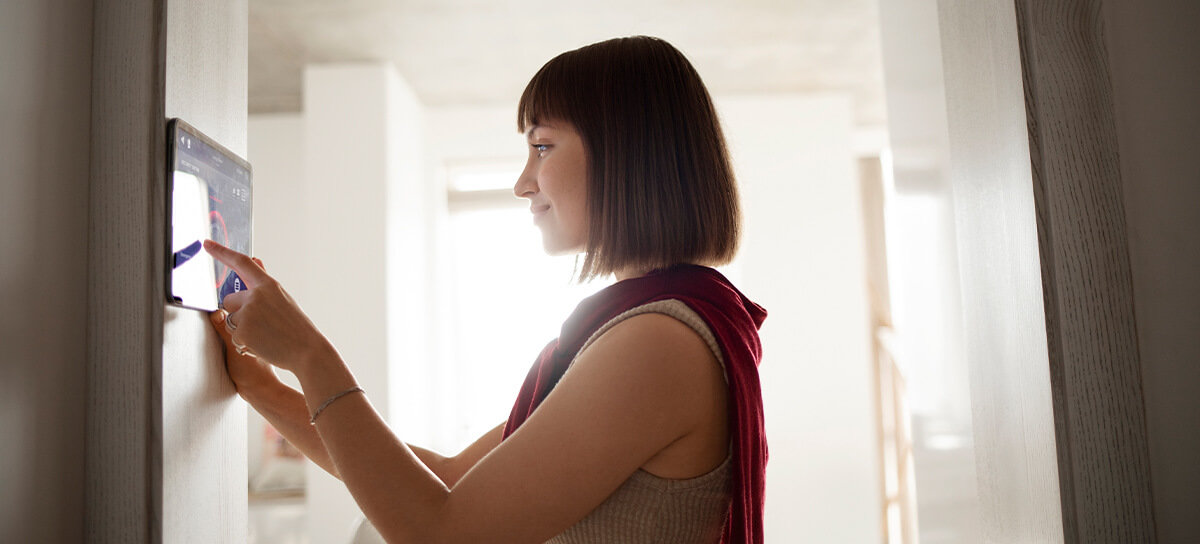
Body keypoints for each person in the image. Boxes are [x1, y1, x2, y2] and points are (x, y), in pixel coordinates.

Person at [206, 35, 768, 544]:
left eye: (542, 147)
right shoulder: (646, 329)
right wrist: (262, 386)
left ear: (628, 155)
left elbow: (442, 532)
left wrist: (308, 353)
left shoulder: (658, 342)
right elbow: (446, 480)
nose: (523, 183)